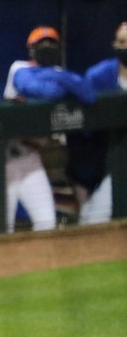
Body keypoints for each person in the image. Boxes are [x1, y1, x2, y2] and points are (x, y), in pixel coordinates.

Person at [2, 26, 96, 232]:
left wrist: (58, 77)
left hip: (31, 157)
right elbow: (40, 89)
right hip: (5, 160)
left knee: (47, 222)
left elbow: (88, 93)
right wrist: (63, 81)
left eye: (51, 43)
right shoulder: (18, 67)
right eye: (41, 44)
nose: (46, 47)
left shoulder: (59, 73)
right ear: (30, 49)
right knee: (2, 227)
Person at [73, 21, 125, 224]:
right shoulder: (99, 76)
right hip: (110, 158)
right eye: (122, 42)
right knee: (93, 221)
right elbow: (84, 128)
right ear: (115, 45)